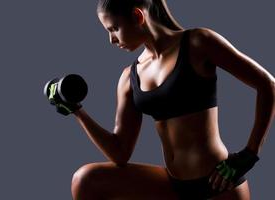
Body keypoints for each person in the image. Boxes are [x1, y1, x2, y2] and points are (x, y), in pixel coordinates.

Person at [67, 0, 274, 199]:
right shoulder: (129, 78)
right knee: (86, 181)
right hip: (175, 186)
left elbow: (268, 85)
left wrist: (248, 156)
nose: (111, 39)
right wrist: (77, 110)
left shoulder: (197, 42)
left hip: (216, 184)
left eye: (114, 29)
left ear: (138, 16)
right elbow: (120, 153)